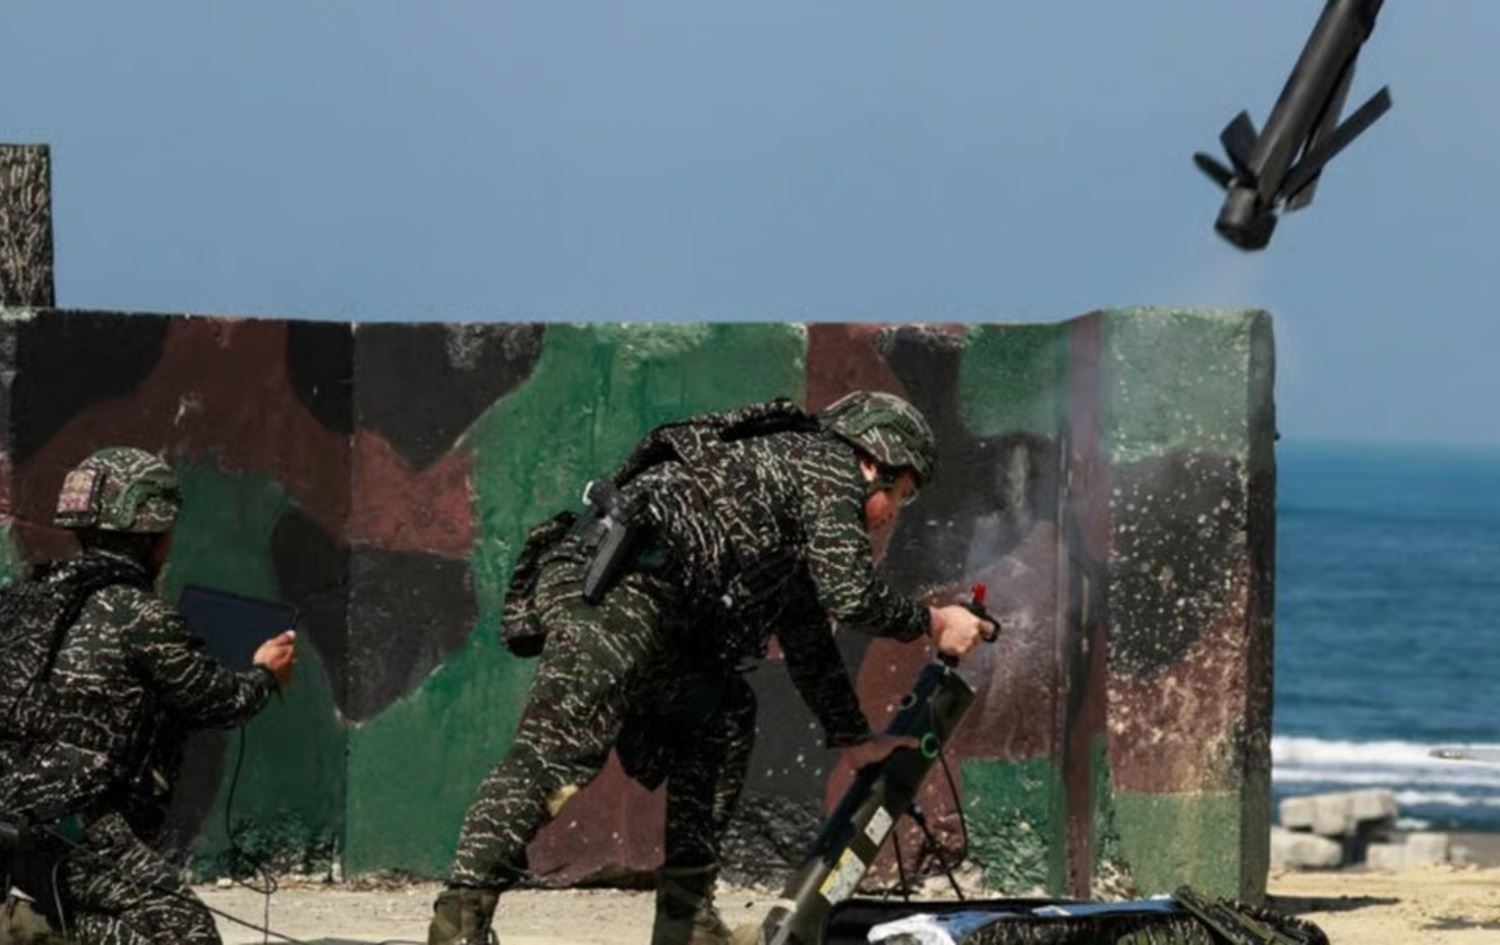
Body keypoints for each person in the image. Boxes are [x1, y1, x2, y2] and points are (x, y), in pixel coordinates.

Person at [427, 392, 994, 945]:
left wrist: (853, 738)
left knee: (720, 716)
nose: (892, 514)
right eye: (901, 494)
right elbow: (851, 595)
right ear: (873, 462)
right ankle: (460, 921)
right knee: (557, 751)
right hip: (621, 585)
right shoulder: (828, 466)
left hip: (657, 602)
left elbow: (807, 637)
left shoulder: (793, 497)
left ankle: (687, 921)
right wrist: (934, 622)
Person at [0, 447, 297, 945]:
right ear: (153, 537)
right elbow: (217, 701)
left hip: (15, 823)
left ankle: (29, 931)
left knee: (107, 923)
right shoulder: (139, 614)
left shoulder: (21, 598)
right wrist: (266, 673)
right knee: (184, 932)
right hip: (72, 830)